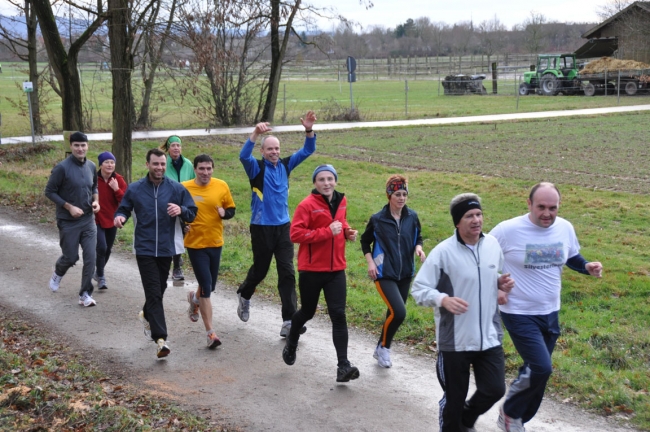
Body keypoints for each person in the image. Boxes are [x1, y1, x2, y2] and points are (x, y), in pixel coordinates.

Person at [490, 182, 603, 432]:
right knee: (541, 367)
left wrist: (585, 267)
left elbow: (570, 255)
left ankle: (516, 415)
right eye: (541, 207)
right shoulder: (508, 230)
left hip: (551, 311)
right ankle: (511, 413)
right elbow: (482, 257)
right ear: (529, 203)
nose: (547, 213)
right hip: (518, 312)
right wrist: (496, 285)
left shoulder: (564, 228)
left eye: (553, 208)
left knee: (537, 370)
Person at [411, 193, 515, 432]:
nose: (476, 220)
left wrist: (499, 282)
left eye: (479, 214)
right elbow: (419, 289)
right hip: (455, 341)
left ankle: (466, 419)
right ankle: (455, 423)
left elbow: (487, 274)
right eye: (469, 216)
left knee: (495, 389)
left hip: (489, 335)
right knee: (454, 401)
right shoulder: (443, 253)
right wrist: (443, 299)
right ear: (457, 222)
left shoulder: (492, 245)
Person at [236, 111, 317, 337]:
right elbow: (243, 156)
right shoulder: (256, 168)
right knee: (260, 270)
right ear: (262, 152)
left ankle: (289, 321)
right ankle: (244, 294)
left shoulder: (286, 165)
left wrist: (308, 130)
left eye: (277, 148)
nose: (274, 152)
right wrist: (254, 134)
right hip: (261, 227)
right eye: (269, 149)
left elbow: (308, 150)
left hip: (284, 228)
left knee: (287, 273)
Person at [114, 148, 197, 359]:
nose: (159, 168)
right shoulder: (135, 189)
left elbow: (192, 211)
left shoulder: (176, 189)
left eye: (162, 164)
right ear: (148, 165)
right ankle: (160, 339)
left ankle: (146, 313)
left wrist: (181, 211)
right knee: (153, 291)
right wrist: (120, 218)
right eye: (155, 164)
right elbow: (124, 208)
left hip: (167, 248)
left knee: (158, 289)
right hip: (144, 248)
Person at [282, 164, 361, 382]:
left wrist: (347, 232)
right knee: (307, 312)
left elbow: (341, 222)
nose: (326, 183)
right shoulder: (307, 205)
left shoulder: (341, 200)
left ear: (335, 180)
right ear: (315, 183)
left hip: (336, 268)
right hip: (311, 269)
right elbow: (295, 234)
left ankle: (343, 365)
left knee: (338, 314)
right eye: (321, 180)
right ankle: (292, 341)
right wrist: (327, 232)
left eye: (330, 179)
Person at [360, 174, 426, 368]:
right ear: (389, 195)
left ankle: (380, 348)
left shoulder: (412, 217)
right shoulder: (378, 219)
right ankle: (385, 348)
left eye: (404, 194)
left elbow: (418, 236)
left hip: (405, 272)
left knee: (393, 312)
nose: (401, 198)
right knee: (399, 312)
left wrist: (418, 248)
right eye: (397, 193)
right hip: (383, 273)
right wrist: (370, 263)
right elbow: (365, 242)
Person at [182, 154, 236, 349]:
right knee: (206, 286)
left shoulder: (221, 186)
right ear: (195, 169)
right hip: (195, 244)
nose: (205, 172)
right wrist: (183, 225)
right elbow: (177, 212)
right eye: (201, 169)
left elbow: (231, 209)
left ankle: (194, 299)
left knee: (210, 286)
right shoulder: (185, 187)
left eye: (208, 169)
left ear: (213, 169)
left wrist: (225, 213)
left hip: (215, 242)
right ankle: (210, 333)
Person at [45, 131, 100, 307]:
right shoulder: (62, 168)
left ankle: (85, 294)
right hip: (68, 221)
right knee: (71, 257)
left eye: (83, 145)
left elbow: (94, 187)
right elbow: (50, 191)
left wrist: (96, 202)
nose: (80, 148)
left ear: (87, 146)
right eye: (76, 145)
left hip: (88, 220)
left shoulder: (91, 166)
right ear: (71, 147)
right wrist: (69, 207)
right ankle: (58, 272)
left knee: (91, 258)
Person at [160, 135, 195, 281]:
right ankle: (176, 267)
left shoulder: (188, 164)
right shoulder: (164, 163)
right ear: (168, 148)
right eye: (173, 145)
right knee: (175, 234)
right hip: (168, 202)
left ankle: (176, 261)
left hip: (184, 202)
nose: (176, 148)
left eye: (178, 145)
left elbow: (194, 181)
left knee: (182, 232)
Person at [94, 151, 127, 290]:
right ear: (101, 164)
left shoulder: (118, 179)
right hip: (95, 218)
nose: (109, 165)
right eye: (106, 162)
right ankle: (101, 276)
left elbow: (125, 201)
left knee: (108, 250)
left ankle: (98, 273)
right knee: (101, 247)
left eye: (112, 162)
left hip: (112, 219)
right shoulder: (93, 179)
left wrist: (116, 189)